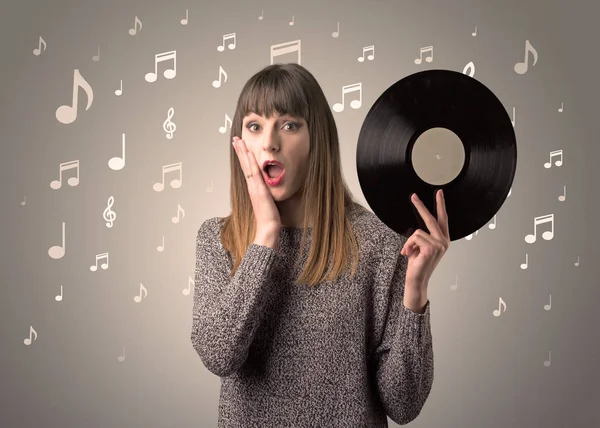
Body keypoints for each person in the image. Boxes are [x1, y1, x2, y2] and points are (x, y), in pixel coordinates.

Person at [191, 63, 450, 427]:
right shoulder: (218, 239)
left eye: (289, 125)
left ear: (318, 140)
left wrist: (416, 289)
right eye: (255, 126)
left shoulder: (377, 242)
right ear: (240, 142)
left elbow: (403, 404)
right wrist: (266, 234)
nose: (269, 142)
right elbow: (219, 355)